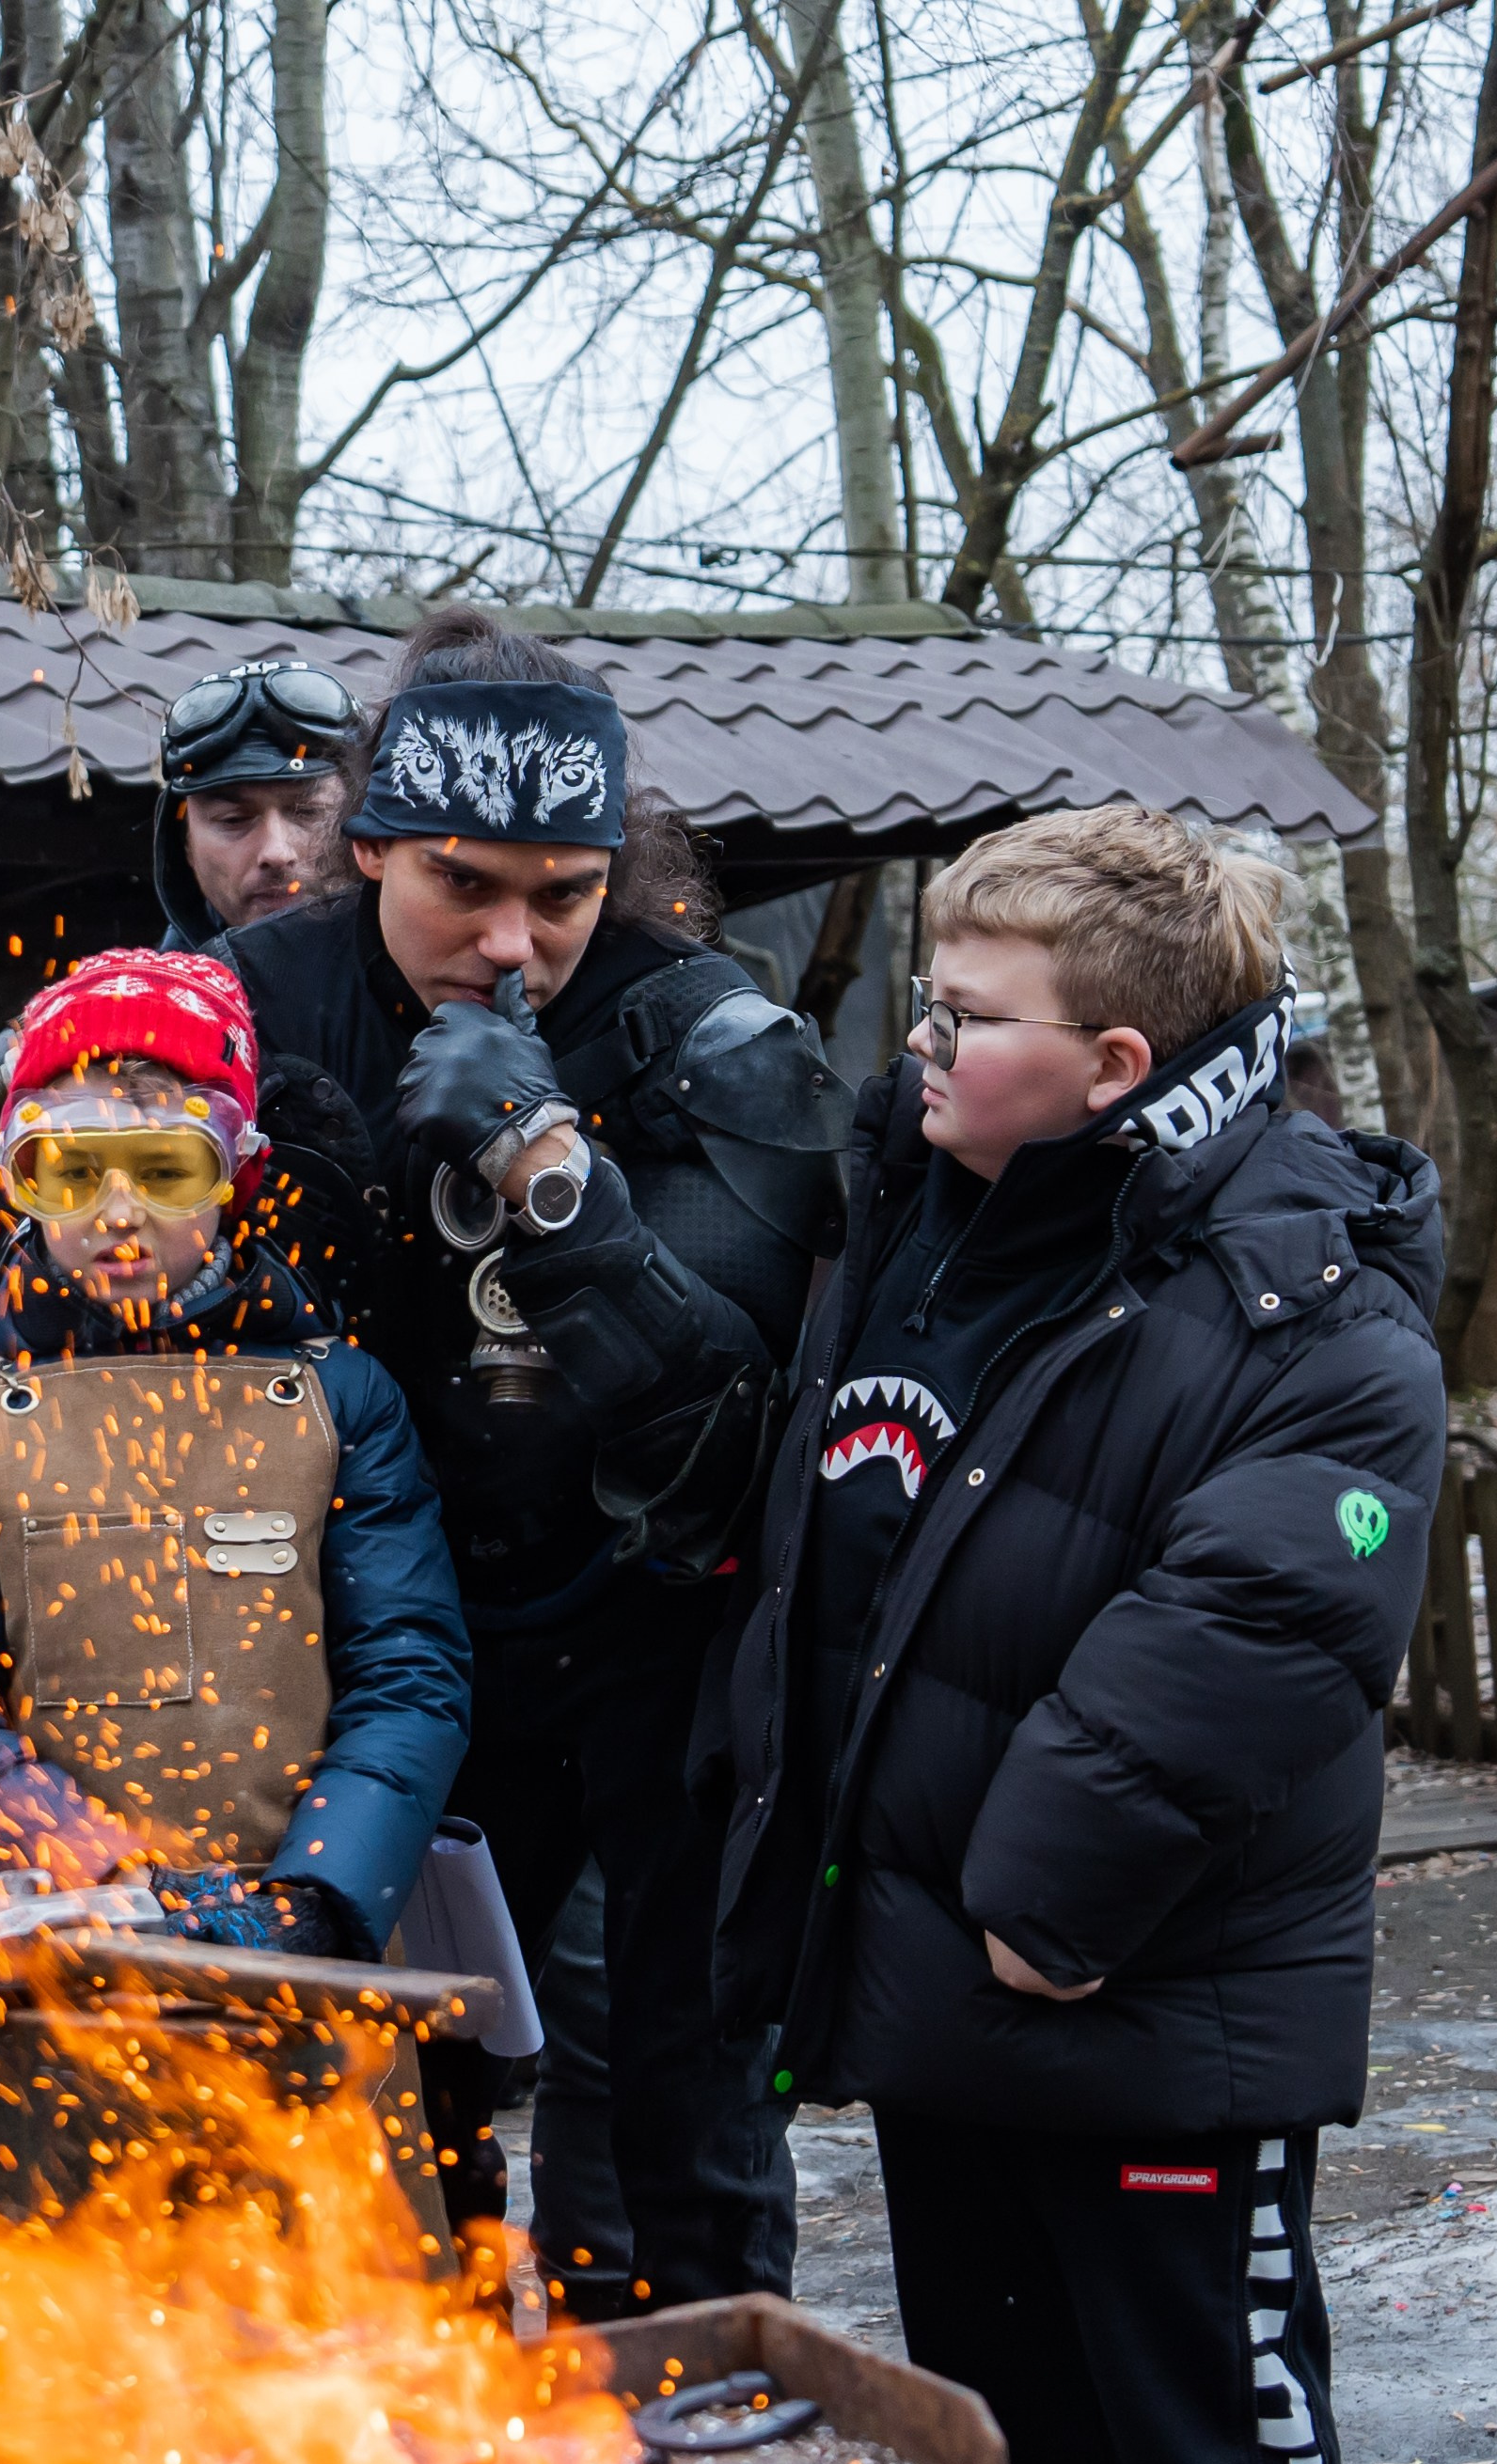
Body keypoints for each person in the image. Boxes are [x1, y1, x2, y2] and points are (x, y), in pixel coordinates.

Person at [709, 808, 1446, 2464]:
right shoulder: (930, 1218)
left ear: (1118, 1058)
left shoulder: (1305, 1294)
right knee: (1001, 2419)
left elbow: (1255, 1615)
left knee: (1200, 2438)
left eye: (973, 1010)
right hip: (944, 1988)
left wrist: (1041, 1906)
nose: (919, 1034)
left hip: (1131, 1998)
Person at [225, 607, 852, 2317]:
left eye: (562, 892)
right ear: (367, 849)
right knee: (394, 2081)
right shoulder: (260, 1001)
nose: (514, 943)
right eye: (462, 886)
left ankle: (713, 2400)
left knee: (679, 2074)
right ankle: (442, 2443)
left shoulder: (693, 1021)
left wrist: (548, 1162)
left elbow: (728, 1385)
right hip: (387, 1637)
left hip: (648, 1619)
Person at [0, 947, 471, 1988]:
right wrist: (101, 1877)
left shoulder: (343, 1396)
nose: (116, 1213)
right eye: (66, 1170)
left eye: (164, 1169)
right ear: (17, 1182)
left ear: (236, 1170)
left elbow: (410, 1674)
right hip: (51, 1935)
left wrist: (318, 1898)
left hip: (302, 1949)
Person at [153, 655, 363, 947]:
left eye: (309, 813)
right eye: (233, 820)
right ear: (185, 844)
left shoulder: (430, 984)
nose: (276, 852)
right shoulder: (155, 991)